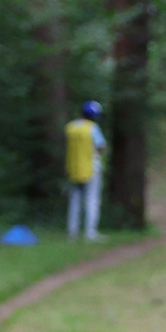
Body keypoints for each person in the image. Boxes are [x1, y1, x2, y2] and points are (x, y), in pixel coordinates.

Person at [65, 101, 106, 242]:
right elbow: (101, 146)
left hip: (74, 168)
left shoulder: (71, 127)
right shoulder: (92, 128)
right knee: (92, 200)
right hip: (91, 169)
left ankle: (72, 232)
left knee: (74, 201)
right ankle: (90, 232)